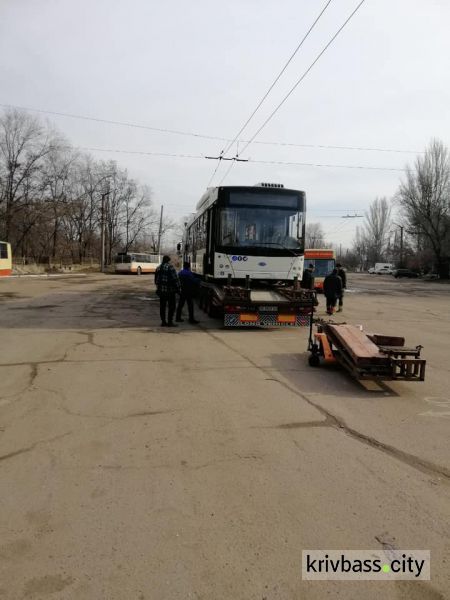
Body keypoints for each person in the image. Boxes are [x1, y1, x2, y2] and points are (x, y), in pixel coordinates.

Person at [155, 255, 180, 327]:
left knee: (162, 307)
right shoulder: (170, 267)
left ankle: (163, 322)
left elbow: (156, 280)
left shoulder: (158, 268)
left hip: (161, 291)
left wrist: (159, 288)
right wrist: (178, 288)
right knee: (172, 306)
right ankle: (170, 322)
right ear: (168, 260)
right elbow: (175, 279)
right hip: (170, 291)